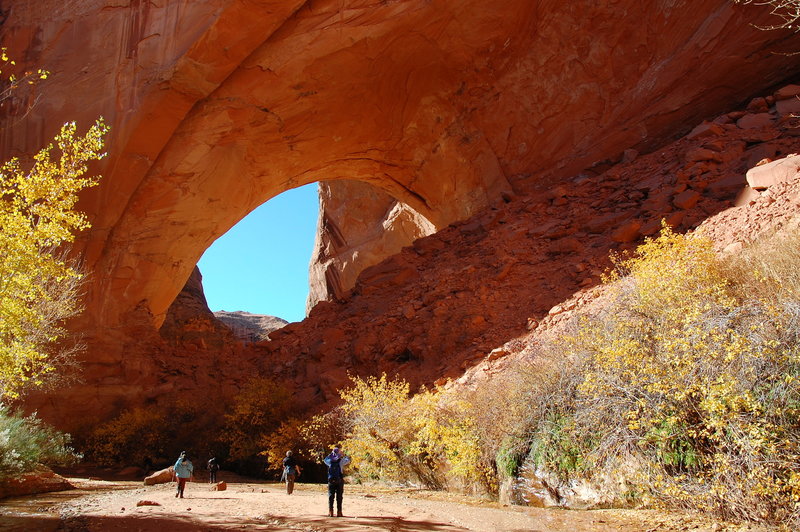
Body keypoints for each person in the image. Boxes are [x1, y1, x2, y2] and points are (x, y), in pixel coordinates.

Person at [323, 445, 350, 517]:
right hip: (339, 480)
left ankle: (331, 511)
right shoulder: (341, 461)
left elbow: (325, 460)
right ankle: (339, 512)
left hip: (331, 480)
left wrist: (329, 455)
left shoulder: (329, 461)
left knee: (331, 495)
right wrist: (344, 455)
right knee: (339, 496)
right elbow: (348, 460)